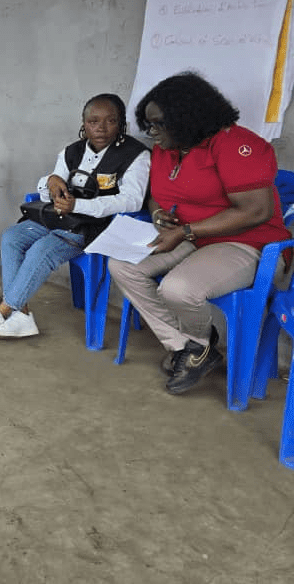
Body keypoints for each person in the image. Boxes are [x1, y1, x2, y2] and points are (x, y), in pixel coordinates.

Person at [109, 72, 291, 395]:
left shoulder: (236, 145)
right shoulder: (167, 149)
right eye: (148, 125)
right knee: (122, 266)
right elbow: (157, 194)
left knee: (178, 290)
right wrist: (157, 213)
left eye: (159, 125)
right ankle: (191, 347)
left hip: (248, 243)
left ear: (189, 118)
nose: (152, 133)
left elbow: (256, 211)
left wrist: (187, 231)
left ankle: (196, 346)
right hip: (189, 237)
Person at [0, 93, 151, 341]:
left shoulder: (136, 155)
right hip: (61, 219)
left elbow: (132, 201)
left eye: (111, 121)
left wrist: (79, 205)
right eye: (94, 121)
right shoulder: (71, 152)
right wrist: (51, 182)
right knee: (12, 236)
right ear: (83, 124)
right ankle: (21, 315)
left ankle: (2, 312)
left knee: (42, 249)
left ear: (122, 124)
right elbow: (50, 184)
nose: (102, 128)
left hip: (98, 226)